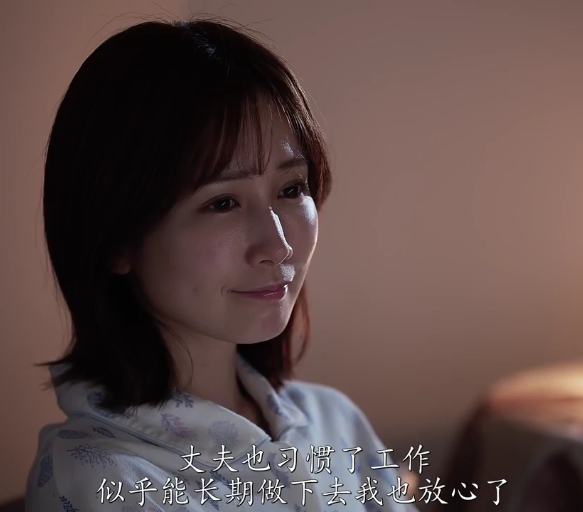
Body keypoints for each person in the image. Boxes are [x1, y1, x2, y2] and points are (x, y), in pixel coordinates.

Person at [25, 17, 419, 512]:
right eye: (222, 203)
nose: (277, 245)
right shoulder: (103, 480)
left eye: (291, 189)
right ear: (116, 238)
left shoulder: (333, 421)